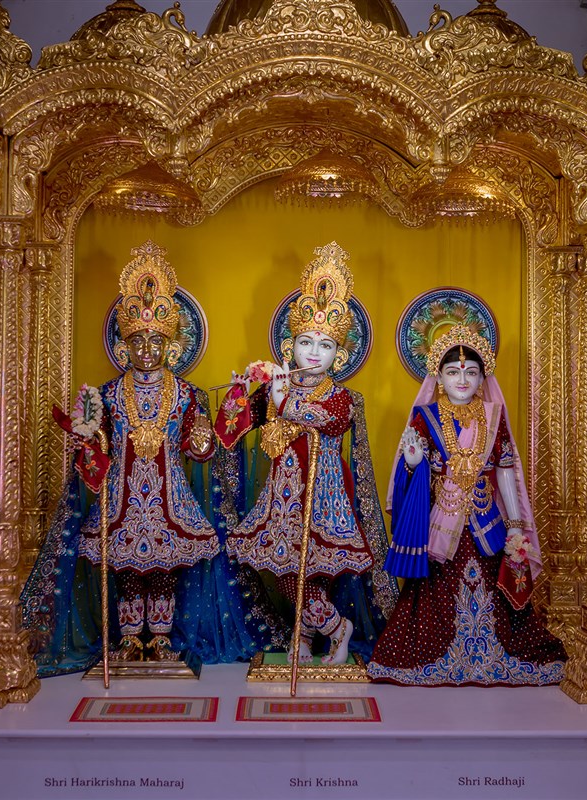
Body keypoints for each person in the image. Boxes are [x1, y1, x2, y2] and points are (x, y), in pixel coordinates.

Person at [21, 241, 281, 674]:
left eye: (155, 341)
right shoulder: (106, 395)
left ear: (171, 347)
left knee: (163, 572)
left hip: (169, 500)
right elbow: (95, 459)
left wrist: (201, 439)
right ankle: (127, 641)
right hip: (122, 501)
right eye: (137, 341)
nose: (146, 350)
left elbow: (201, 453)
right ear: (123, 346)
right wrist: (89, 441)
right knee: (125, 572)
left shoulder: (187, 395)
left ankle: (159, 640)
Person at [215, 242, 398, 665]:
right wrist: (239, 393)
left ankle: (331, 629)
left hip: (323, 496)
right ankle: (310, 632)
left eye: (325, 345)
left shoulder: (341, 397)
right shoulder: (274, 388)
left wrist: (280, 397)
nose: (314, 352)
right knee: (286, 571)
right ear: (289, 347)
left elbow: (321, 419)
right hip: (282, 498)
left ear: (340, 355)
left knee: (313, 570)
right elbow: (231, 429)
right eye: (305, 342)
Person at [367, 324, 567, 685]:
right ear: (440, 378)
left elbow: (504, 468)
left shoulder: (494, 415)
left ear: (482, 378)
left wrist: (517, 524)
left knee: (495, 586)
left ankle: (491, 655)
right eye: (453, 372)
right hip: (442, 520)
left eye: (471, 373)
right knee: (435, 588)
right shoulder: (425, 415)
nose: (462, 380)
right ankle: (440, 654)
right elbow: (413, 467)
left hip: (487, 518)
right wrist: (412, 462)